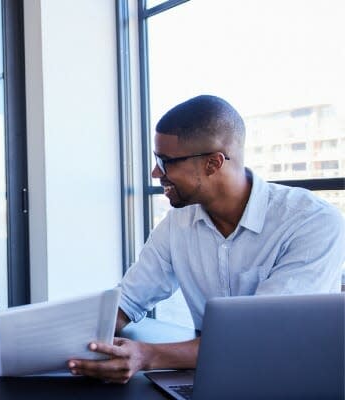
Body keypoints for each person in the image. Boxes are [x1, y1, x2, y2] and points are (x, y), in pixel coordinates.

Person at [68, 95, 345, 383]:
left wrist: (147, 355)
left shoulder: (312, 221)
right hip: (214, 376)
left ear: (213, 163)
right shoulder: (178, 223)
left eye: (165, 162)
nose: (155, 173)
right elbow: (127, 301)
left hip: (294, 380)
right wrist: (61, 341)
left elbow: (265, 336)